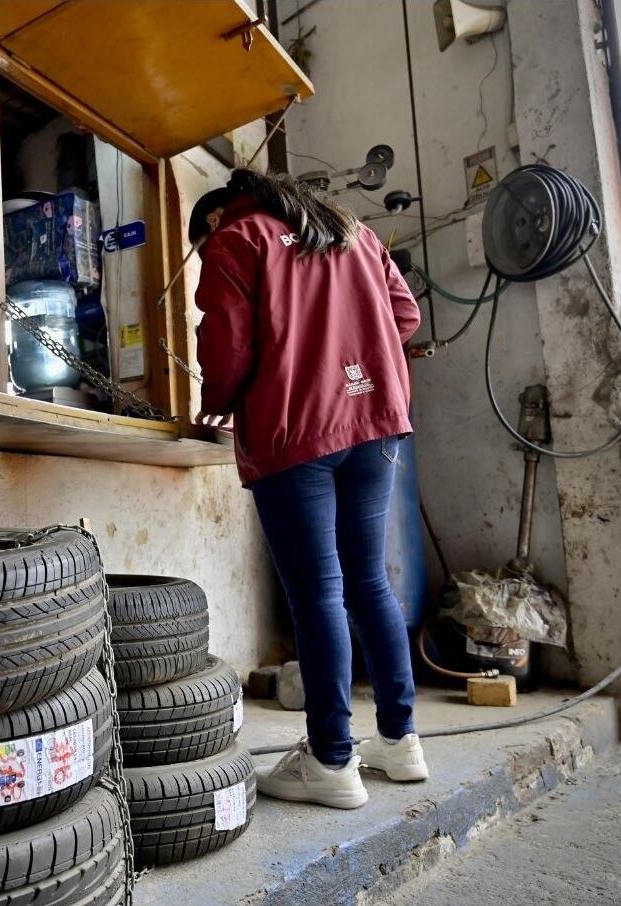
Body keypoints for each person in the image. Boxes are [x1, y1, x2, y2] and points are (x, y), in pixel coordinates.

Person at [189, 168, 426, 809]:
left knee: (319, 593)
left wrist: (218, 401)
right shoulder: (354, 232)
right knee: (369, 581)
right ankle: (401, 744)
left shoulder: (236, 241)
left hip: (298, 435)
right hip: (376, 423)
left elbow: (228, 351)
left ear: (215, 218)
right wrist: (354, 353)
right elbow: (405, 316)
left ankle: (331, 760)